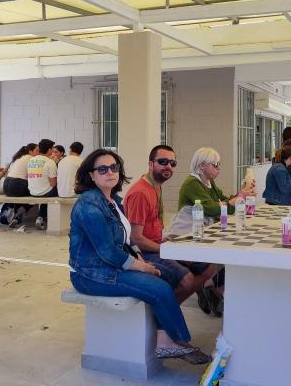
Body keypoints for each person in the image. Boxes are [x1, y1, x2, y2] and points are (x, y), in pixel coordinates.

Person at [68, 148, 210, 365]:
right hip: (90, 274)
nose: (110, 172)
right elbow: (108, 252)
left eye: (114, 167)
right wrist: (143, 267)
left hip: (110, 267)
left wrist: (139, 258)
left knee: (165, 277)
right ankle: (177, 342)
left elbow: (127, 239)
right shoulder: (89, 204)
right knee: (159, 288)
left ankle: (165, 338)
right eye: (102, 169)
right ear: (91, 175)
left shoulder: (113, 200)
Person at [124, 145, 217, 307]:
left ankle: (167, 308)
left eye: (172, 163)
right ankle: (162, 315)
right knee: (187, 280)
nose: (168, 166)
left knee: (209, 264)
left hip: (158, 243)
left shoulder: (156, 186)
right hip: (144, 252)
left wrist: (167, 242)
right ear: (151, 164)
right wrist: (165, 248)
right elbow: (136, 238)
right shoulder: (140, 193)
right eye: (163, 162)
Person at [177, 147, 255, 316]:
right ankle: (212, 286)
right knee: (238, 254)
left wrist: (240, 195)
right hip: (192, 233)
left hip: (207, 229)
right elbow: (212, 208)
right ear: (202, 165)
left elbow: (224, 203)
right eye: (215, 165)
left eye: (219, 164)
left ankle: (213, 286)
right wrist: (232, 201)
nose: (219, 168)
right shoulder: (192, 183)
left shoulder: (209, 182)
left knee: (239, 251)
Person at [0, 143, 38, 227]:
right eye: (37, 151)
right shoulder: (31, 158)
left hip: (6, 186)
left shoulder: (17, 158)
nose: (38, 153)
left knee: (19, 196)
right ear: (30, 151)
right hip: (18, 185)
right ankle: (19, 212)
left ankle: (14, 214)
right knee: (36, 194)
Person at [27, 139, 58, 230]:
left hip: (32, 192)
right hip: (45, 192)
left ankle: (41, 217)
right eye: (52, 148)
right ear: (49, 150)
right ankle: (42, 217)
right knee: (59, 190)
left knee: (45, 190)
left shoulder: (30, 160)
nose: (53, 151)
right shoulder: (50, 162)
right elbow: (53, 183)